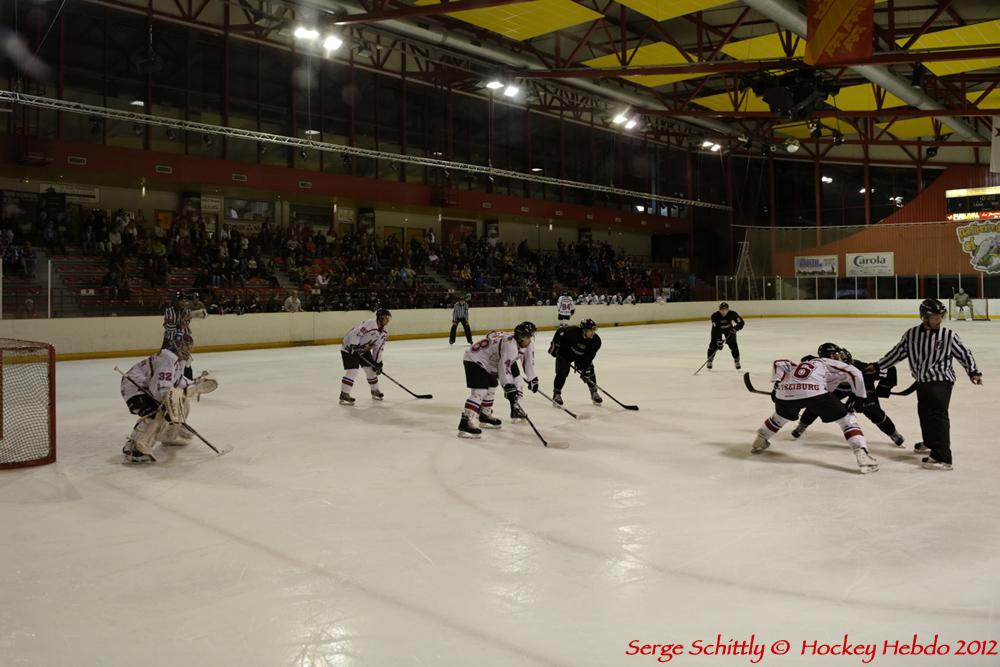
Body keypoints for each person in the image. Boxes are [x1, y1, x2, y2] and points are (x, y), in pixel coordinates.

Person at [868, 298, 982, 471]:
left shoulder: (948, 335)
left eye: (940, 316)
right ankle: (929, 442)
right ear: (924, 317)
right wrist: (878, 366)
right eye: (935, 317)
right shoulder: (912, 334)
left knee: (937, 416)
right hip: (922, 382)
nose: (939, 320)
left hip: (941, 381)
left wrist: (973, 372)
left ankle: (943, 457)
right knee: (924, 413)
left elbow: (964, 354)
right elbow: (898, 353)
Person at [752, 342, 879, 474]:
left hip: (784, 393)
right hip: (814, 392)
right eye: (837, 354)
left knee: (780, 417)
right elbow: (854, 372)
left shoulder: (805, 364)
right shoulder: (828, 362)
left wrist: (777, 382)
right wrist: (860, 397)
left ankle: (760, 439)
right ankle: (862, 454)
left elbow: (779, 363)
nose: (839, 357)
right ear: (831, 355)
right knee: (847, 419)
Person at [119, 332, 218, 464]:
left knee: (180, 403)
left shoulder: (177, 360)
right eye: (185, 346)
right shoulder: (167, 358)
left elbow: (178, 381)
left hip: (144, 386)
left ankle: (169, 434)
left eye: (189, 346)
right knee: (155, 413)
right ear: (177, 345)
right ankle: (135, 447)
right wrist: (167, 406)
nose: (188, 349)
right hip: (133, 388)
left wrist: (196, 383)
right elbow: (159, 387)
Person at [792, 346, 905, 447]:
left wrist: (883, 389)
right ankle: (802, 425)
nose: (841, 357)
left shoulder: (862, 368)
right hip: (838, 389)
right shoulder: (822, 367)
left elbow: (890, 369)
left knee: (874, 411)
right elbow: (805, 362)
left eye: (839, 354)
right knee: (819, 402)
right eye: (835, 356)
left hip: (862, 389)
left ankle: (893, 433)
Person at [458, 322, 537, 438]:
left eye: (531, 336)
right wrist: (509, 386)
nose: (530, 339)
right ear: (520, 337)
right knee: (480, 391)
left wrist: (533, 379)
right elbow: (504, 368)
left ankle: (485, 415)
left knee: (492, 386)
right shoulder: (510, 345)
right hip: (474, 359)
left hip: (489, 362)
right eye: (528, 337)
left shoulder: (525, 344)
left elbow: (528, 361)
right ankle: (465, 422)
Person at [339, 309, 391, 405]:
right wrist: (353, 345)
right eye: (385, 318)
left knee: (371, 370)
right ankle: (344, 394)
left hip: (363, 349)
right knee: (352, 371)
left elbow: (378, 348)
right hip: (349, 347)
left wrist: (377, 363)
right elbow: (355, 333)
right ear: (379, 318)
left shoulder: (384, 333)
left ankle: (375, 391)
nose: (387, 320)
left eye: (388, 318)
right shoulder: (370, 324)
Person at [548, 318, 602, 406]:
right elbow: (559, 332)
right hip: (565, 353)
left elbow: (589, 357)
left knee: (590, 370)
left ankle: (594, 392)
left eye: (594, 330)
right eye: (590, 330)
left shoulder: (596, 341)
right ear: (584, 330)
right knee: (562, 373)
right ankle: (556, 394)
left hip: (581, 356)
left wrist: (586, 368)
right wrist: (555, 345)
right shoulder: (571, 332)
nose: (593, 332)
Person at [162, 291, 206, 380]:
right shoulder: (169, 311)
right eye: (180, 300)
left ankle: (188, 381)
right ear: (175, 301)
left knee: (186, 363)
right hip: (169, 341)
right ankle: (167, 381)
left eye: (184, 300)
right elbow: (167, 326)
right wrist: (179, 324)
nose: (182, 302)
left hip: (182, 342)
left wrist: (182, 322)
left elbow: (185, 324)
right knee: (165, 361)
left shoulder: (186, 311)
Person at [706, 302, 744, 370]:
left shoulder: (732, 314)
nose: (724, 312)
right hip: (717, 331)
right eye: (722, 310)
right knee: (713, 345)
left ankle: (737, 361)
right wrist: (718, 340)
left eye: (725, 310)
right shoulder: (714, 316)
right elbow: (716, 329)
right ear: (719, 310)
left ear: (728, 309)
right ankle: (710, 360)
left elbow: (741, 323)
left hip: (729, 330)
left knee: (733, 345)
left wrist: (735, 328)